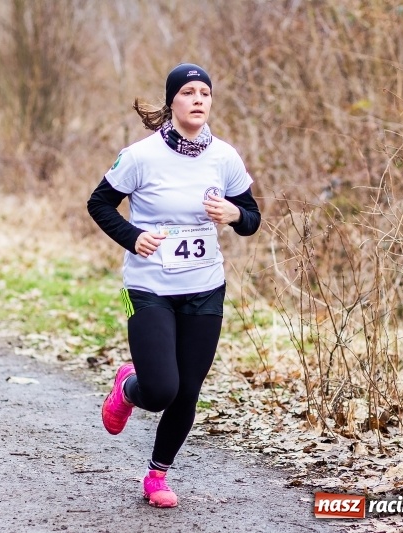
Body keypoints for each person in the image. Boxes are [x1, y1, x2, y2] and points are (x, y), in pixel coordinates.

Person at [87, 63, 261, 508]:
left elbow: (251, 218)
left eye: (205, 91)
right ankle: (129, 387)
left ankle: (157, 476)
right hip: (149, 287)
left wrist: (234, 215)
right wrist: (133, 236)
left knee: (188, 391)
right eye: (188, 92)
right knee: (161, 389)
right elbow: (100, 203)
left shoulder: (224, 156)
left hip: (205, 286)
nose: (199, 99)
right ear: (173, 102)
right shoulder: (141, 156)